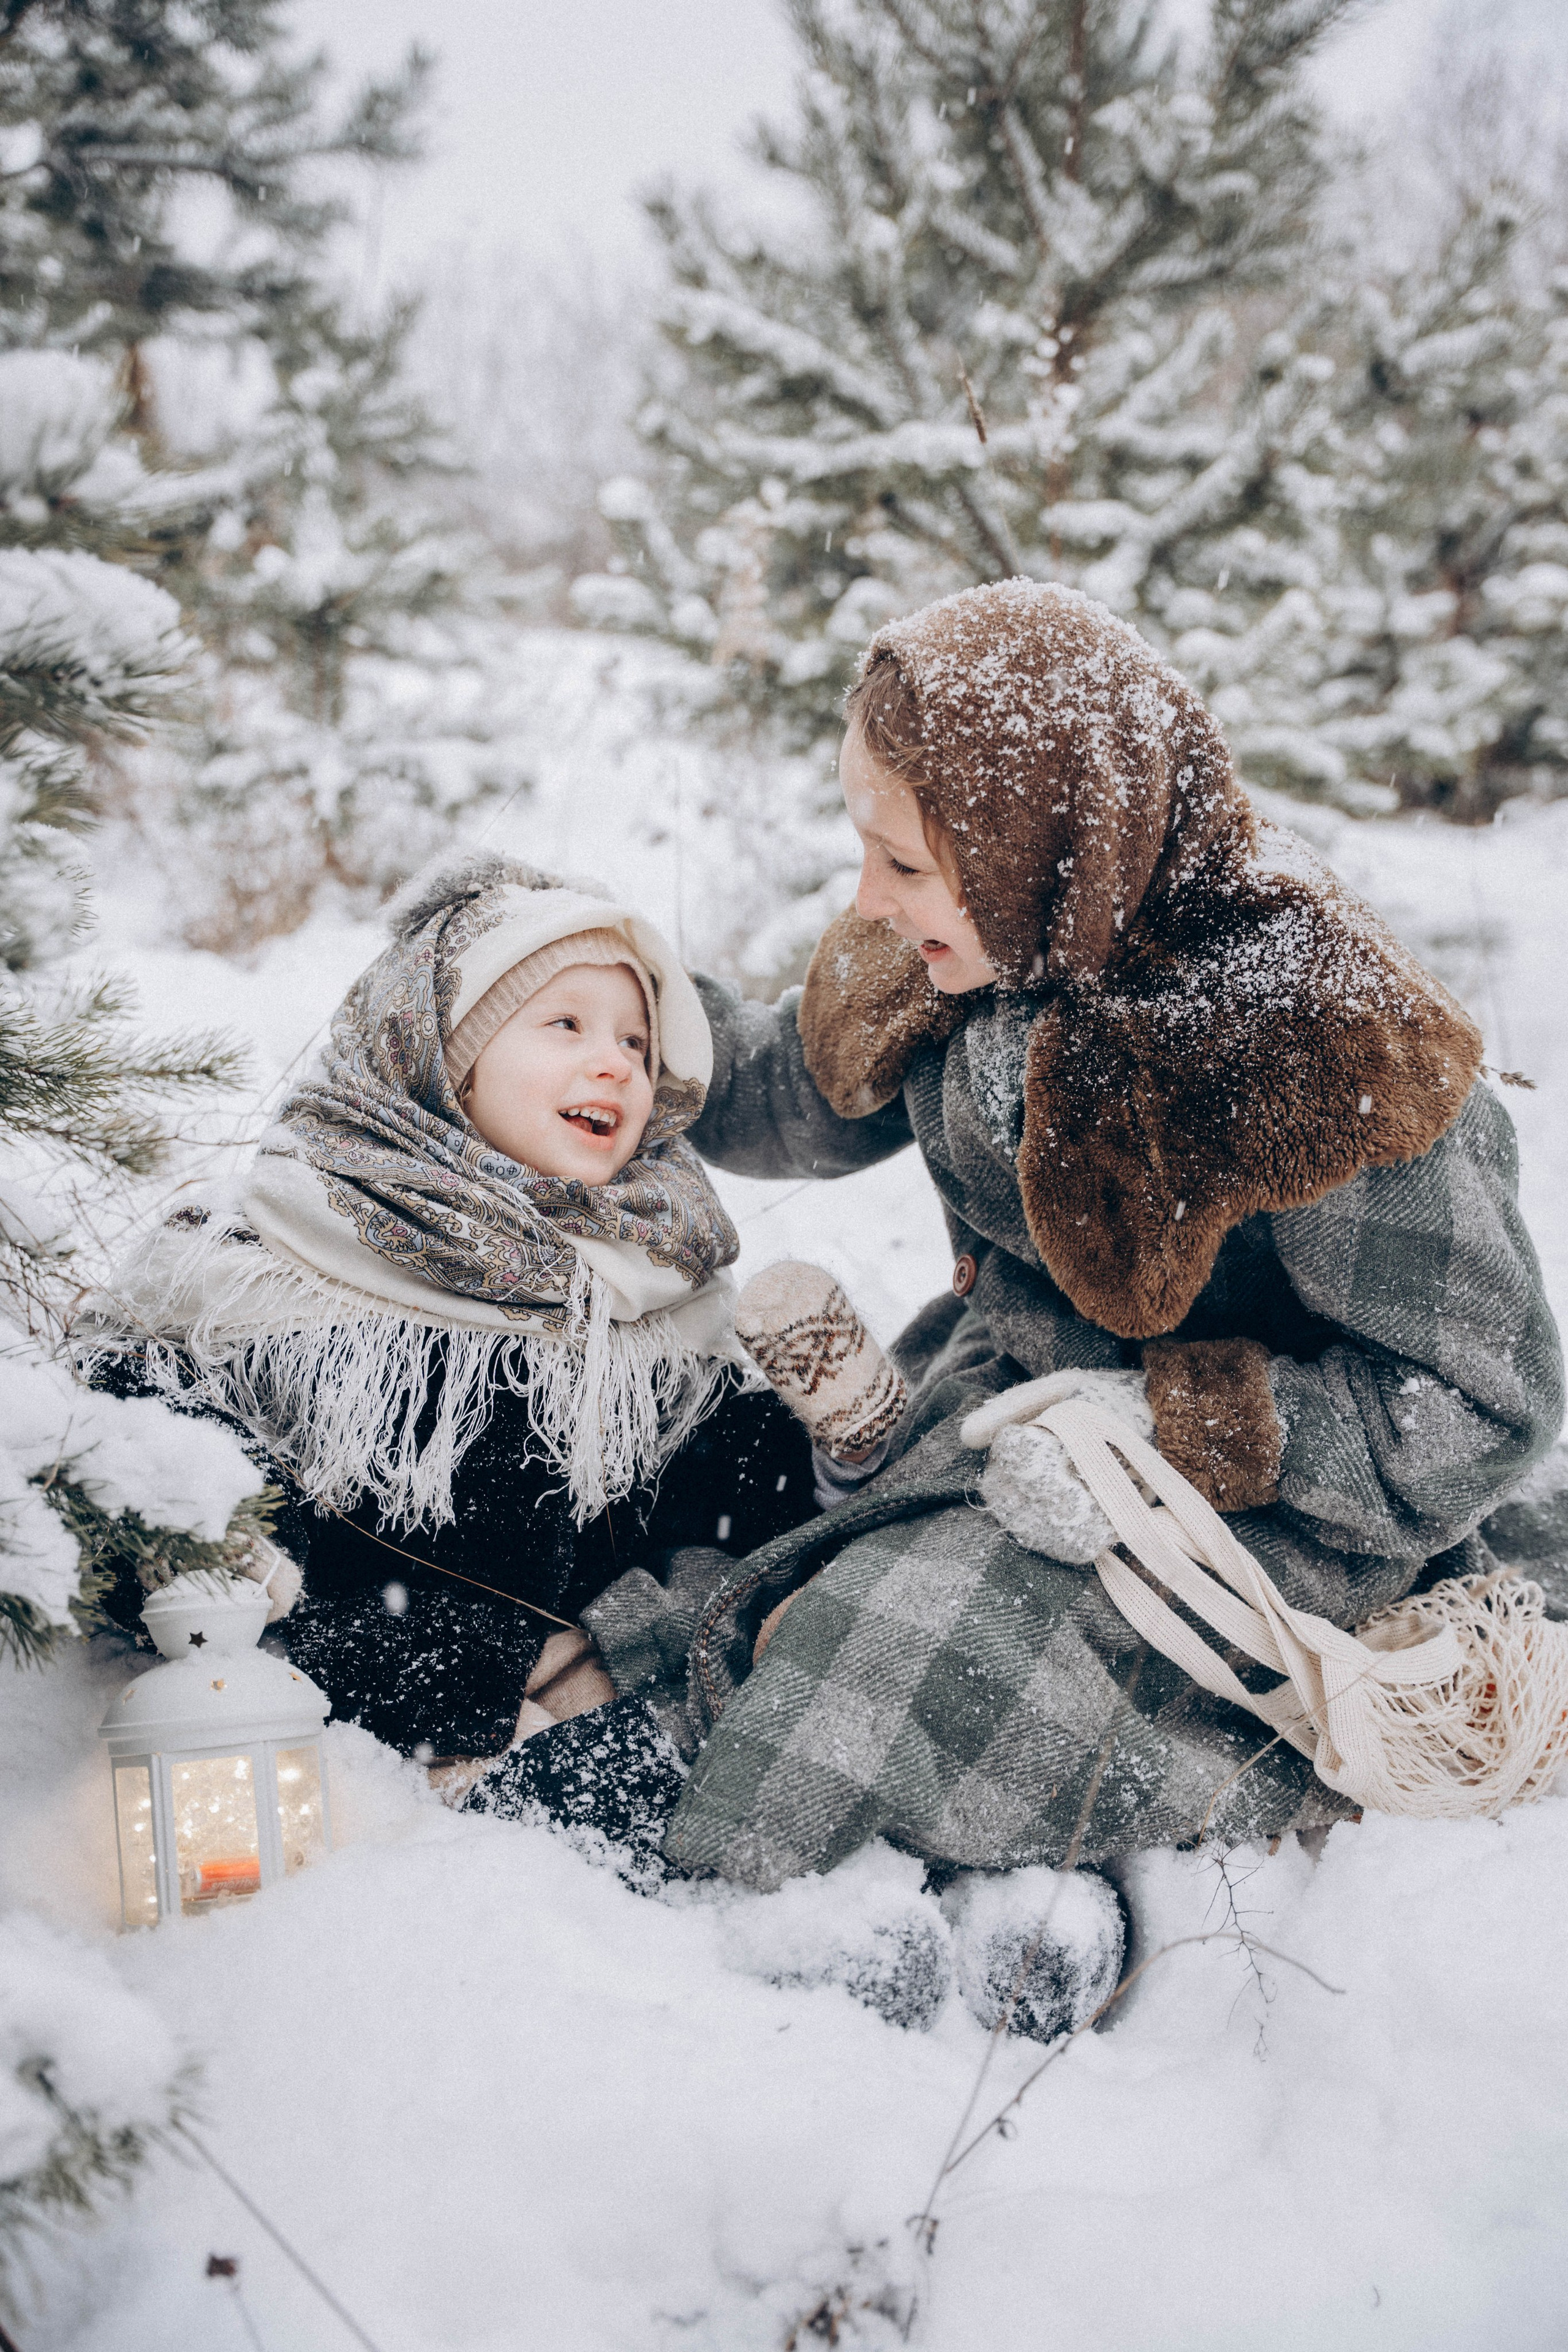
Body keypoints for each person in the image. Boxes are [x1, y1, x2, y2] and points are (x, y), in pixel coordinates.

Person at [580, 581, 1563, 1929]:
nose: (867, 898)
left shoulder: (1310, 1043)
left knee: (890, 1658)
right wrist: (581, 998)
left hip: (1271, 1506)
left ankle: (787, 1923)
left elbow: (1476, 1405)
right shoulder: (979, 937)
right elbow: (782, 1093)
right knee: (756, 1557)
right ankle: (738, 1779)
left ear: (1039, 847)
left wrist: (1160, 1432)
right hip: (1007, 1406)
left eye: (902, 864)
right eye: (865, 850)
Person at [80, 854, 817, 1809]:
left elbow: (710, 1481)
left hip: (561, 1681)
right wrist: (232, 1547)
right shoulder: (292, 1238)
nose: (616, 1063)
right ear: (442, 1055)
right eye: (566, 1025)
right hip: (333, 1677)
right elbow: (131, 1415)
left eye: (638, 1044)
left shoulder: (644, 1276)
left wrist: (823, 1454)